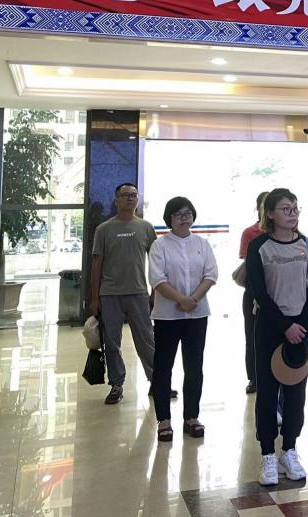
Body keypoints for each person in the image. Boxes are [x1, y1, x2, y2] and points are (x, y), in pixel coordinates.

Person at [246, 188, 308, 486]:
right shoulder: (259, 246)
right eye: (286, 209)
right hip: (269, 327)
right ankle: (267, 453)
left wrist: (299, 324)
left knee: (296, 392)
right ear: (270, 213)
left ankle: (289, 450)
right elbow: (259, 291)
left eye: (295, 208)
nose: (292, 214)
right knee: (267, 392)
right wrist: (284, 326)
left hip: (302, 328)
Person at [149, 197, 218, 441]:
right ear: (169, 218)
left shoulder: (202, 244)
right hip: (167, 316)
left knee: (194, 367)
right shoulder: (159, 246)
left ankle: (192, 418)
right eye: (178, 214)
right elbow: (157, 279)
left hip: (197, 315)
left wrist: (193, 299)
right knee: (163, 367)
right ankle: (164, 421)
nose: (184, 218)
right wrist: (180, 299)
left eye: (188, 213)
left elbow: (211, 274)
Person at [89, 183, 160, 405]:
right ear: (116, 200)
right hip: (110, 294)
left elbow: (156, 263)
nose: (130, 198)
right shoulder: (104, 229)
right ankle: (116, 384)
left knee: (147, 340)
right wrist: (95, 298)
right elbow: (96, 265)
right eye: (125, 195)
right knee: (112, 343)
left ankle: (157, 381)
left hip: (139, 293)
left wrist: (155, 292)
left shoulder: (146, 228)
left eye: (133, 195)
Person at [239, 190, 270, 394]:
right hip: (254, 292)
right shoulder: (250, 233)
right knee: (252, 336)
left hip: (280, 292)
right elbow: (248, 264)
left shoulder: (288, 232)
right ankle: (254, 377)